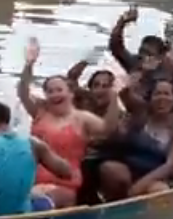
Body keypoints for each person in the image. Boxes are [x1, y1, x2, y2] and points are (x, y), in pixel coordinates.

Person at [18, 37, 120, 208]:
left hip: (64, 183)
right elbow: (22, 92)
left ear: (71, 93)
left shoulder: (82, 118)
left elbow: (106, 129)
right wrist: (28, 65)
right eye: (50, 91)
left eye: (59, 90)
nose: (55, 94)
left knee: (39, 202)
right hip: (32, 181)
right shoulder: (39, 112)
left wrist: (115, 96)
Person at [0, 102, 72, 217]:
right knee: (59, 196)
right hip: (22, 214)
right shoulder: (34, 143)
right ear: (7, 120)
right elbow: (66, 172)